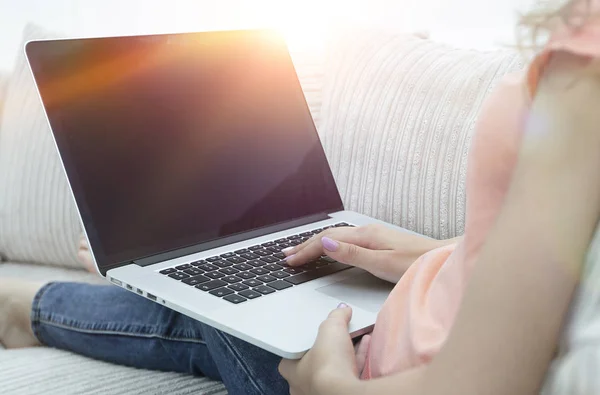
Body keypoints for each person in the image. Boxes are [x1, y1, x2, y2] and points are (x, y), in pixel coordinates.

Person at [2, 0, 600, 393]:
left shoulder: (586, 71)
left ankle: (96, 280)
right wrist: (427, 252)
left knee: (195, 290)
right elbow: (561, 256)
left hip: (367, 371)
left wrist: (332, 385)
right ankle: (120, 273)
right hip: (395, 317)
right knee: (218, 282)